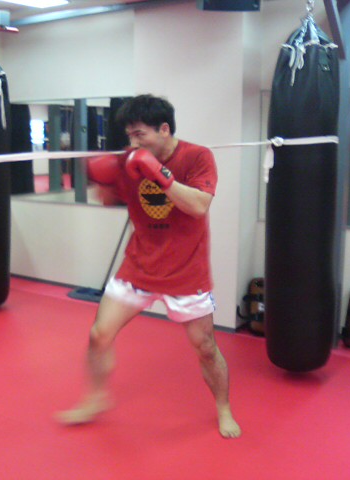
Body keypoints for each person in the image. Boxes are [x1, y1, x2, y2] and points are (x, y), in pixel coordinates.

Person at [56, 94, 241, 439]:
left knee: (205, 348)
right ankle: (96, 398)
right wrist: (100, 179)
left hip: (186, 271)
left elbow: (199, 206)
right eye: (130, 135)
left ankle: (224, 409)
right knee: (99, 335)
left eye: (140, 134)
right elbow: (109, 200)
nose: (133, 143)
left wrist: (161, 175)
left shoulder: (197, 157)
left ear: (164, 129)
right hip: (139, 266)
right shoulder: (127, 160)